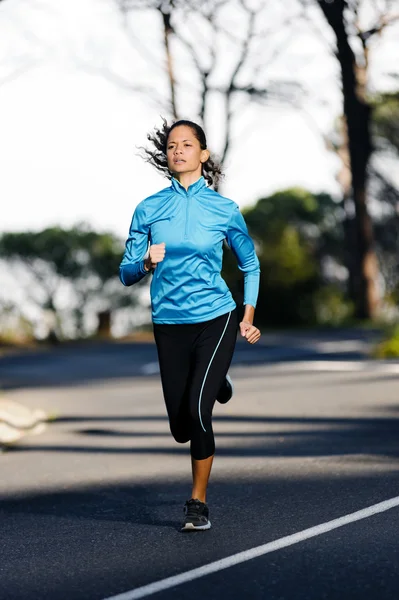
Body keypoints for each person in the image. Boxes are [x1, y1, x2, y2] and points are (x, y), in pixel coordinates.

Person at [119, 119, 261, 531]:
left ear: (203, 154)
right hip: (168, 322)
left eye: (187, 144)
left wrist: (246, 316)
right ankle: (218, 382)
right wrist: (145, 261)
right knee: (180, 427)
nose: (178, 150)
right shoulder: (148, 209)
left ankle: (197, 503)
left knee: (199, 414)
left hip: (215, 316)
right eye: (172, 145)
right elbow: (125, 273)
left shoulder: (223, 209)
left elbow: (249, 264)